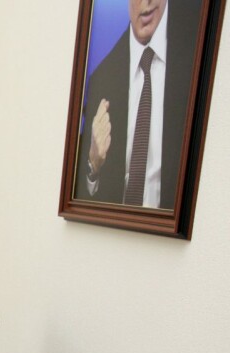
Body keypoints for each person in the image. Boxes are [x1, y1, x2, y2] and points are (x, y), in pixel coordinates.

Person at [78, 0, 198, 207]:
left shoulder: (198, 41)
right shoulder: (101, 80)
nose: (146, 1)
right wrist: (94, 166)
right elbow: (83, 201)